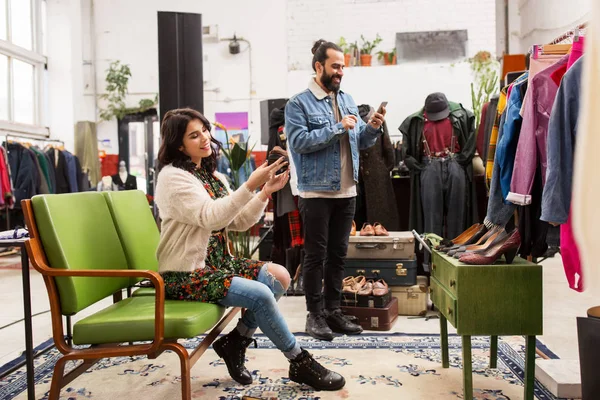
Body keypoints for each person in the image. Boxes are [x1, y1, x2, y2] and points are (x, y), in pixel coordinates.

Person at [154, 108, 345, 391]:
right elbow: (211, 217)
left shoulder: (210, 176)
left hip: (217, 265)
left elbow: (240, 221)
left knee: (279, 276)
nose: (205, 138)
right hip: (185, 273)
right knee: (260, 293)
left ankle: (236, 341)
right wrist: (250, 185)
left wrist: (265, 192)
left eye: (205, 130)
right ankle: (299, 360)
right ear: (179, 145)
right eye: (194, 135)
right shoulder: (173, 179)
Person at [285, 40, 386, 341]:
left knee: (339, 255)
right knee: (316, 256)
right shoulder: (298, 104)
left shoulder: (348, 99)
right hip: (316, 192)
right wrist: (338, 127)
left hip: (347, 190)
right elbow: (300, 142)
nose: (341, 71)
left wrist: (373, 127)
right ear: (319, 66)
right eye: (336, 66)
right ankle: (314, 315)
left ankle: (332, 310)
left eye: (343, 66)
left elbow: (360, 142)